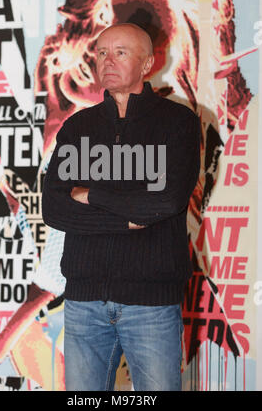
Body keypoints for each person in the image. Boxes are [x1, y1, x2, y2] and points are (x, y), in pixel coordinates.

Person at [42, 23, 201, 391]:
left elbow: (166, 202)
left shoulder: (178, 123)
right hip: (84, 302)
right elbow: (54, 209)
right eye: (101, 53)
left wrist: (92, 194)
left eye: (120, 53)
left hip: (151, 305)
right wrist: (129, 217)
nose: (107, 61)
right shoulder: (77, 127)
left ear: (147, 64)